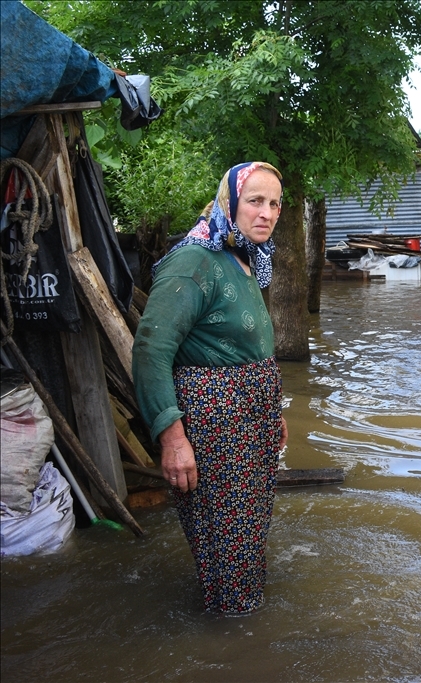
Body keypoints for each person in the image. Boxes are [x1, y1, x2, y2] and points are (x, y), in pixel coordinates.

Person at [132, 161, 288, 613]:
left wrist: (270, 412)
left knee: (246, 532)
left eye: (274, 204)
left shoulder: (242, 257)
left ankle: (240, 617)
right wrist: (173, 437)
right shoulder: (194, 261)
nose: (267, 213)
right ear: (231, 202)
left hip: (249, 423)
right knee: (226, 536)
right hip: (212, 426)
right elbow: (150, 351)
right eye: (256, 201)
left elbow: (247, 348)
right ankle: (234, 638)